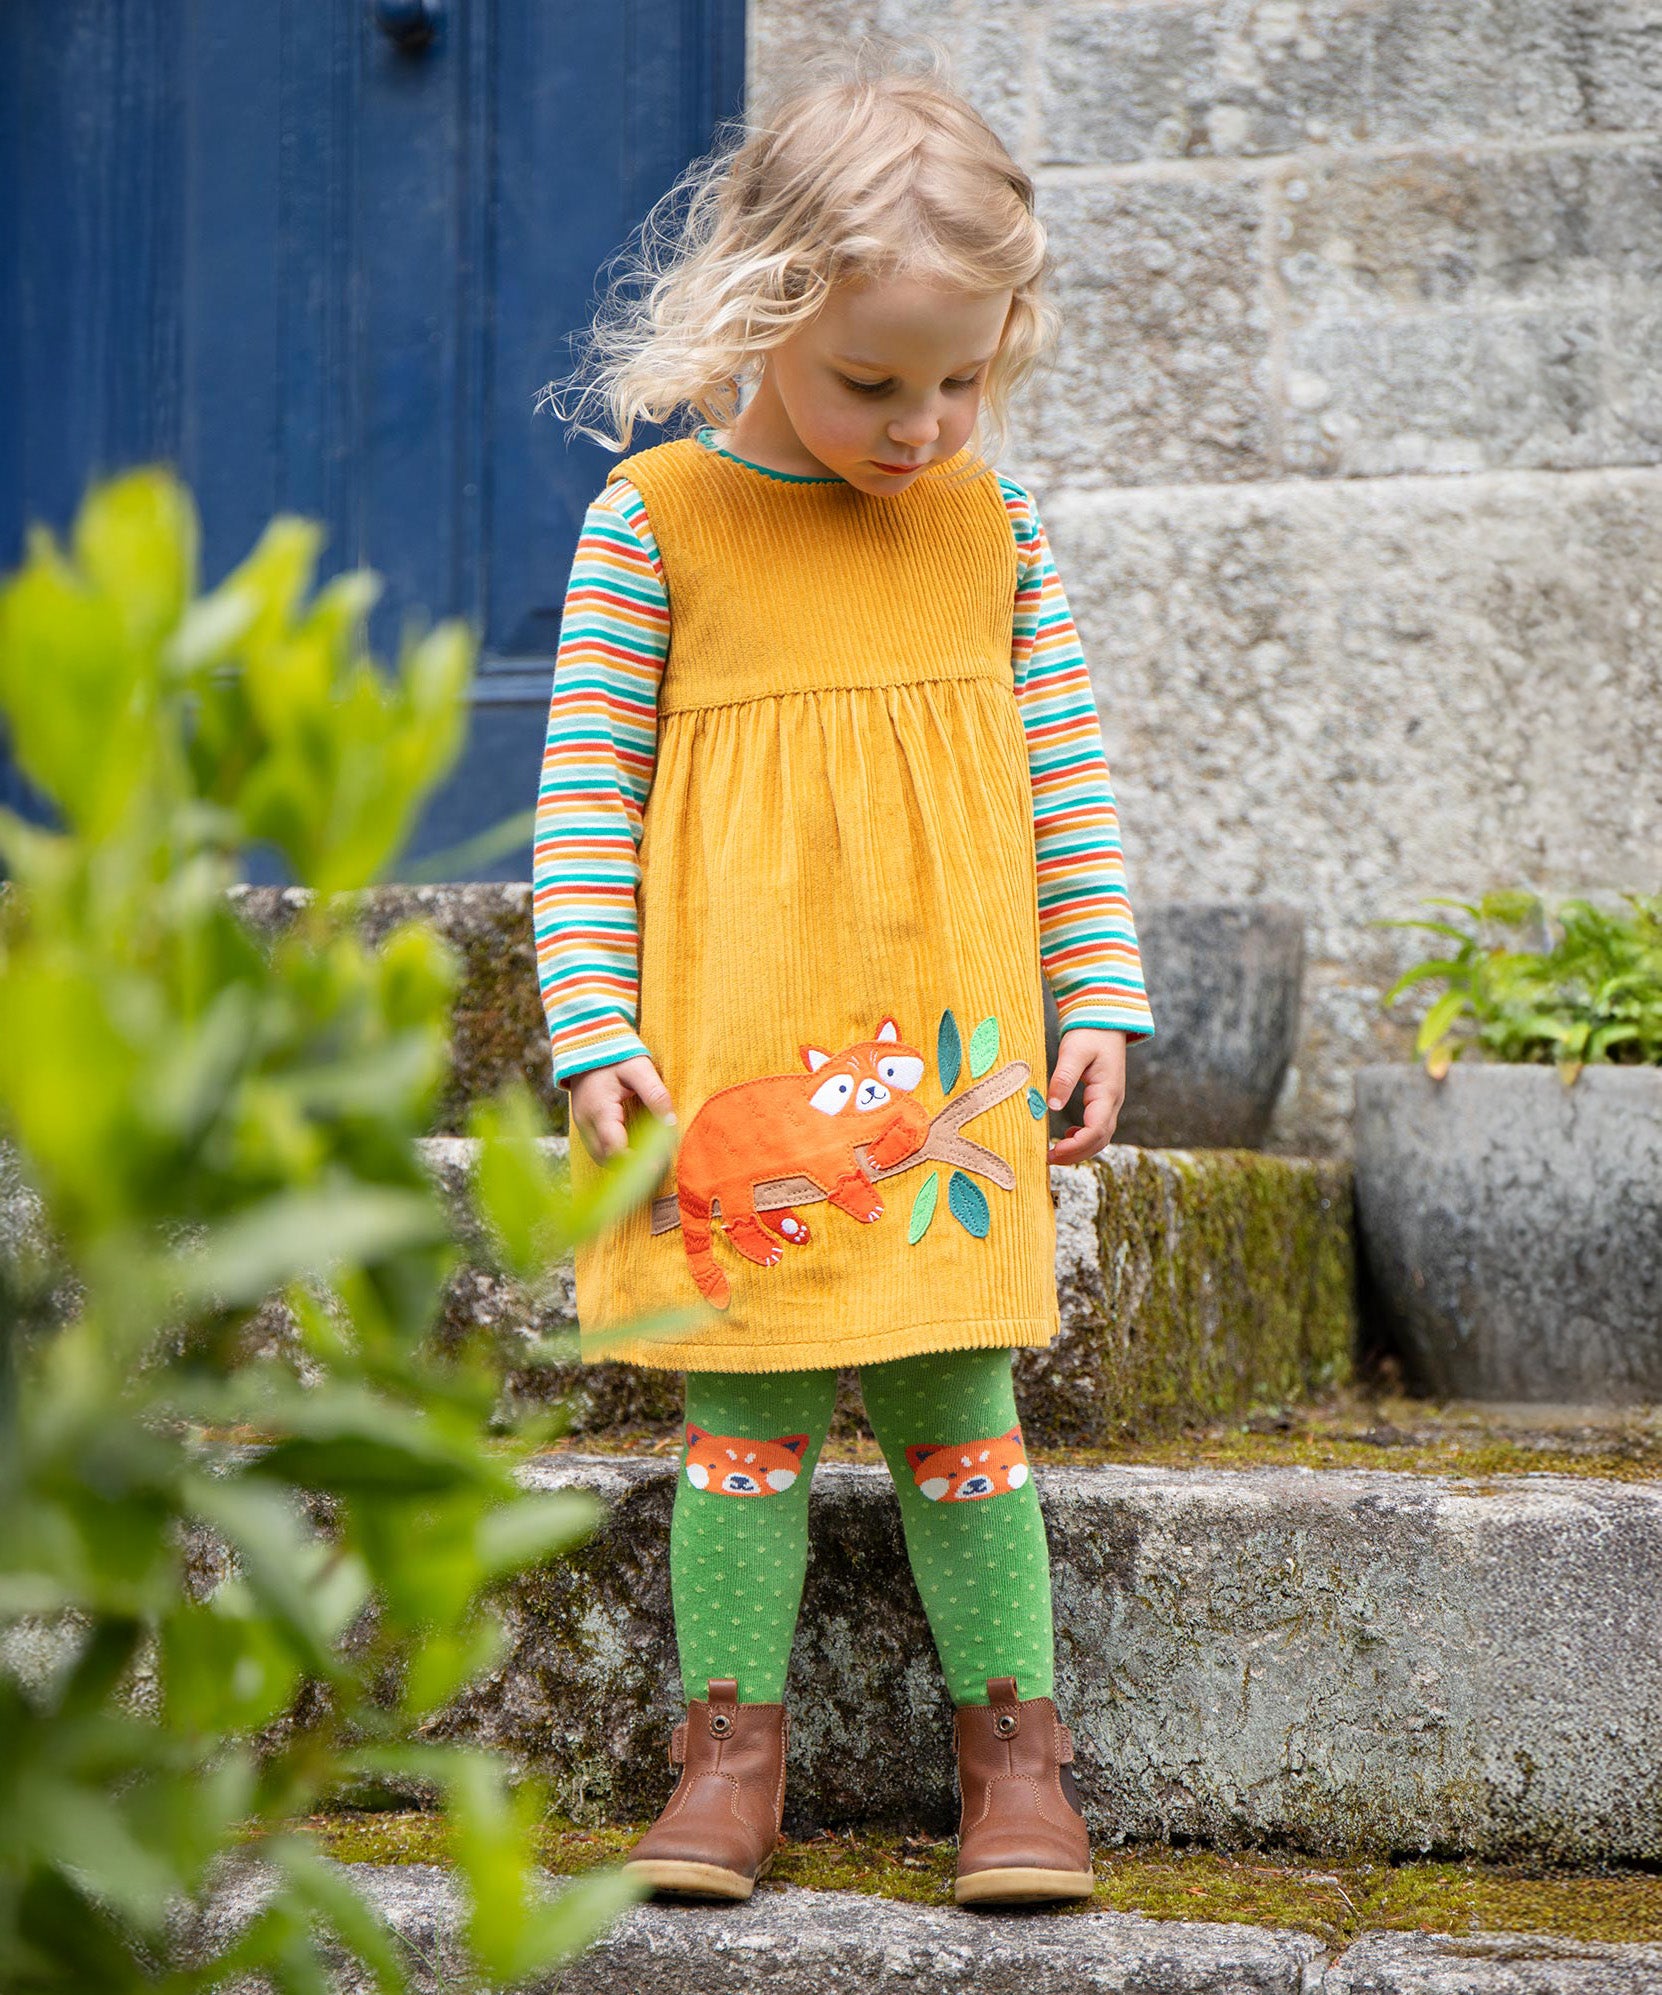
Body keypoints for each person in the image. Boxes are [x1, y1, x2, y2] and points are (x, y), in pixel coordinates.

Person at [532, 41, 1155, 1909]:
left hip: (948, 1058)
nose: (919, 428)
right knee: (747, 1417)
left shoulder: (994, 528)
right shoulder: (655, 526)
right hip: (743, 1062)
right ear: (755, 317)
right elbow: (581, 802)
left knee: (962, 1409)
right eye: (872, 382)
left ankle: (1017, 1766)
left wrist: (1097, 992)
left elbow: (1065, 780)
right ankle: (726, 1757)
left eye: (960, 381)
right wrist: (591, 1019)